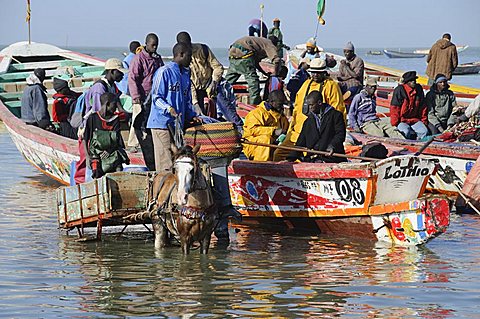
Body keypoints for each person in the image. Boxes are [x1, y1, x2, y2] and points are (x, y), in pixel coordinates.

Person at [273, 58, 345, 161]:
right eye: (313, 72)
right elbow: (297, 108)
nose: (315, 75)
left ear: (324, 72)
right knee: (278, 154)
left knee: (308, 158)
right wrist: (291, 128)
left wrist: (333, 143)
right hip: (298, 131)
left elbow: (338, 114)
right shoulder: (306, 84)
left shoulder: (331, 86)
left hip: (318, 135)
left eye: (318, 73)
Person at [147, 42, 200, 172]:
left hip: (177, 126)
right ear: (181, 54)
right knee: (165, 163)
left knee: (177, 161)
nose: (191, 60)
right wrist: (168, 108)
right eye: (189, 56)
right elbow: (156, 97)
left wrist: (192, 116)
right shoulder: (164, 72)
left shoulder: (185, 76)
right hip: (161, 124)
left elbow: (185, 102)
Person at [74, 58, 126, 184]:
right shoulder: (99, 88)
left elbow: (118, 104)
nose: (122, 75)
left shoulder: (112, 86)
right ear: (112, 72)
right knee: (87, 160)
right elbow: (99, 114)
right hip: (92, 128)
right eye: (120, 72)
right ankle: (81, 186)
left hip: (102, 130)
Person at [128, 33, 164, 171]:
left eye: (156, 45)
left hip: (154, 95)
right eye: (152, 45)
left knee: (149, 121)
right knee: (137, 119)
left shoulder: (157, 59)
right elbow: (133, 78)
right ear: (146, 44)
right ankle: (132, 143)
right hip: (142, 95)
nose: (154, 48)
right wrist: (135, 95)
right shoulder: (139, 59)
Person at [288, 91, 346, 163]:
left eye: (312, 105)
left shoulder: (336, 116)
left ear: (319, 103)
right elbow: (300, 143)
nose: (310, 108)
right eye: (308, 105)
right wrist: (290, 159)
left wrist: (332, 146)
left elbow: (340, 135)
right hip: (313, 159)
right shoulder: (308, 121)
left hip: (332, 158)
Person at [83, 92, 129, 180]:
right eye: (114, 104)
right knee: (96, 170)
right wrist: (87, 156)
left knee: (117, 167)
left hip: (112, 151)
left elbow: (116, 139)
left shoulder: (115, 119)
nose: (116, 107)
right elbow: (86, 138)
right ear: (107, 104)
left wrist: (109, 151)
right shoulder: (92, 118)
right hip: (96, 154)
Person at [176, 31, 224, 115]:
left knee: (223, 105)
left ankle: (237, 125)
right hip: (195, 91)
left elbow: (218, 67)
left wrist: (214, 82)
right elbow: (188, 82)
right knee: (199, 115)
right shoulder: (182, 58)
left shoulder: (203, 49)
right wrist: (195, 102)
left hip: (210, 86)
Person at [225, 35, 281, 105]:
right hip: (244, 54)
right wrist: (276, 74)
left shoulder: (259, 43)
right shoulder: (269, 44)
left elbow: (255, 64)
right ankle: (255, 105)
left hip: (233, 52)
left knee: (227, 82)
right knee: (253, 83)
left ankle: (219, 98)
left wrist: (265, 73)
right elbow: (276, 60)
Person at [243, 90, 289, 161]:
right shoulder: (257, 113)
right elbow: (252, 130)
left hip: (274, 145)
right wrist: (274, 131)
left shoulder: (281, 116)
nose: (281, 106)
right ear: (271, 102)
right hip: (252, 144)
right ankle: (261, 166)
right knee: (265, 139)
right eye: (279, 104)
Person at [390, 71, 428, 140]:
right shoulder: (400, 90)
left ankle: (420, 145)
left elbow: (423, 107)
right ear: (407, 82)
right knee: (405, 131)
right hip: (402, 120)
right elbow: (394, 108)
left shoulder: (419, 90)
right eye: (411, 80)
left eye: (414, 80)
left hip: (414, 119)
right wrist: (394, 124)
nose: (414, 82)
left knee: (424, 131)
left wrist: (423, 120)